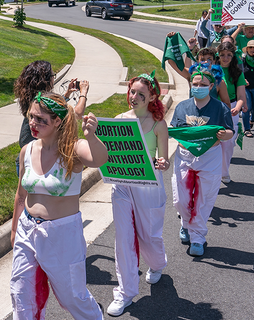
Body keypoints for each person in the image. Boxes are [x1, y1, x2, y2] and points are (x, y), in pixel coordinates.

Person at [10, 92, 108, 319]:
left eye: (41, 119)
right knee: (21, 293)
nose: (33, 124)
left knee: (72, 296)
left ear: (57, 121)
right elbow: (20, 195)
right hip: (27, 229)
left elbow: (99, 159)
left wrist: (92, 137)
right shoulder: (28, 150)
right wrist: (15, 230)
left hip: (62, 235)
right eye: (31, 117)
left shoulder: (73, 150)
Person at [106, 72, 170, 317]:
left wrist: (162, 163)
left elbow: (162, 158)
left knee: (149, 237)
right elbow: (108, 155)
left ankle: (157, 264)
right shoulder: (119, 119)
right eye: (132, 91)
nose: (134, 97)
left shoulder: (158, 124)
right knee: (123, 239)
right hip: (122, 186)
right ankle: (125, 292)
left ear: (152, 96)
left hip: (149, 186)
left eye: (140, 94)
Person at [170, 65, 234, 256]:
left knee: (203, 200)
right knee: (180, 200)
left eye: (202, 84)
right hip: (185, 157)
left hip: (209, 157)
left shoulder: (220, 107)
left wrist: (225, 135)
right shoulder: (183, 107)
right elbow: (175, 129)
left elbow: (230, 131)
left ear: (212, 86)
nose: (197, 86)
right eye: (195, 83)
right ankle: (185, 224)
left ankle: (197, 238)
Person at [14, 61, 89, 174]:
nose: (54, 79)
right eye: (53, 76)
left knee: (30, 191)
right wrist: (83, 93)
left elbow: (51, 107)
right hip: (38, 158)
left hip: (26, 157)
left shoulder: (34, 99)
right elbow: (77, 114)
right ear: (46, 79)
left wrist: (66, 95)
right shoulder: (41, 102)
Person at [216, 42, 247, 183]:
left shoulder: (237, 73)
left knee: (227, 142)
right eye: (222, 55)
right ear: (218, 55)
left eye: (229, 55)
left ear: (233, 56)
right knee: (214, 140)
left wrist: (238, 107)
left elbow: (241, 96)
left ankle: (224, 171)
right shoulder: (213, 71)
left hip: (231, 108)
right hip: (213, 107)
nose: (225, 58)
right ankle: (212, 172)